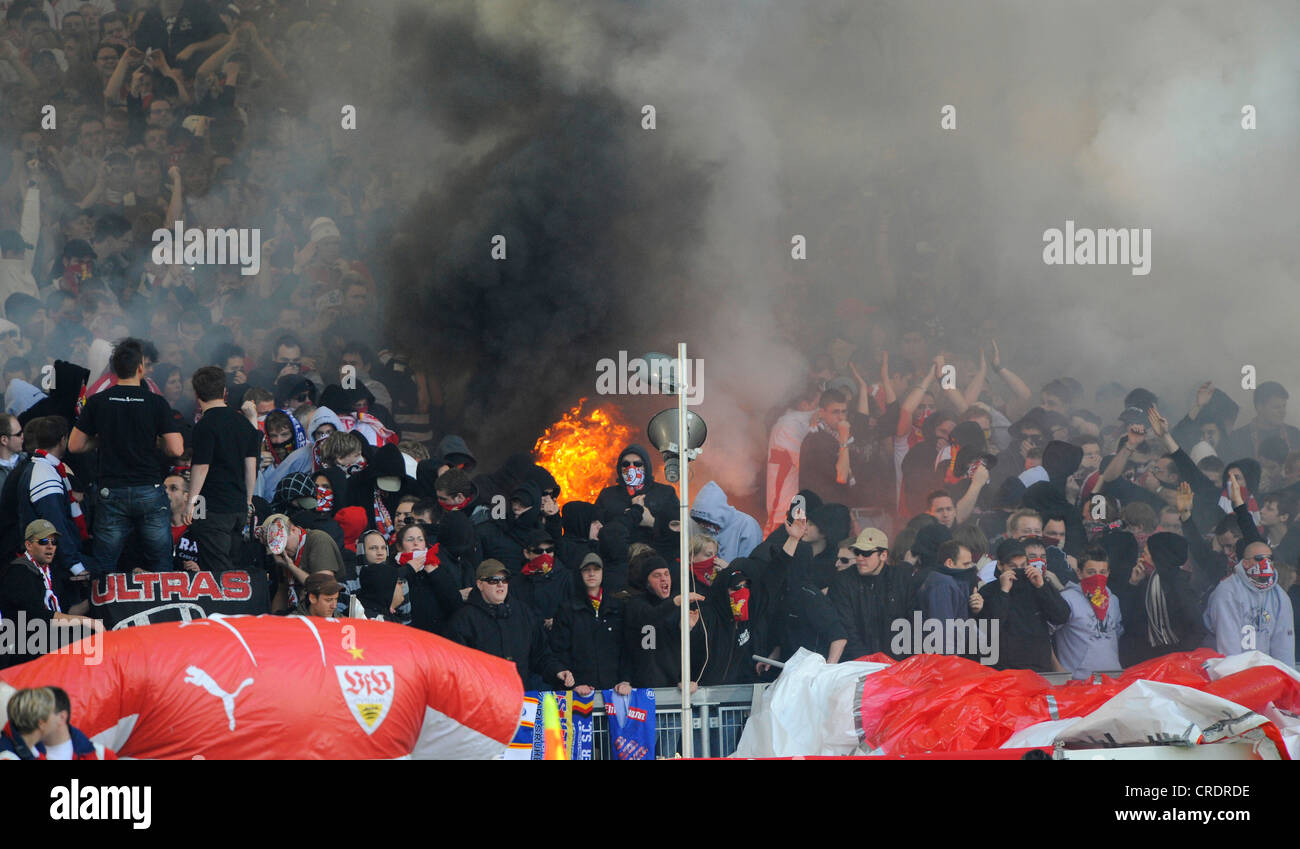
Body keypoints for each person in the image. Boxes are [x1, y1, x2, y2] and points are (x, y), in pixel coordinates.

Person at [69, 338, 183, 572]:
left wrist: (104, 439)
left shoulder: (99, 401)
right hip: (148, 489)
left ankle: (102, 608)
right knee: (160, 561)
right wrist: (155, 440)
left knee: (104, 564)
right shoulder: (156, 402)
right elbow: (176, 449)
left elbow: (75, 445)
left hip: (111, 491)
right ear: (140, 368)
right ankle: (165, 607)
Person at [446, 560, 573, 690]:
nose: (500, 585)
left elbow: (540, 655)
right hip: (482, 700)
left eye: (505, 579)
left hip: (520, 700)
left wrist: (557, 671)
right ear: (480, 584)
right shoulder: (463, 619)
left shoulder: (523, 612)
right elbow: (458, 668)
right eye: (493, 580)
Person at [185, 366, 259, 573]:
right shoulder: (244, 424)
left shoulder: (204, 426)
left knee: (216, 570)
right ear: (224, 391)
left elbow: (201, 467)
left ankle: (226, 605)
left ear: (196, 394)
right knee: (234, 565)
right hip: (238, 508)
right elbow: (251, 465)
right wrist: (248, 500)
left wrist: (190, 503)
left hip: (212, 510)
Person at [0, 521, 102, 668]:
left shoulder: (52, 571)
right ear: (28, 545)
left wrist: (94, 599)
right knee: (86, 636)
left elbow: (66, 611)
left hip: (48, 638)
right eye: (43, 542)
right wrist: (85, 621)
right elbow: (39, 616)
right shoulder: (18, 573)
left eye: (53, 542)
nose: (50, 546)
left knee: (94, 634)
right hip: (25, 645)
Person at [976, 538, 1070, 672]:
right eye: (1013, 567)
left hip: (1038, 668)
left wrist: (1042, 587)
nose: (1019, 570)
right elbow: (990, 628)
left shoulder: (1037, 586)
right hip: (1004, 670)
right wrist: (1004, 592)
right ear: (1000, 566)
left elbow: (1062, 616)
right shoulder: (988, 591)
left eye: (1023, 565)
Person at [1204, 540, 1295, 666]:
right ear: (1245, 563)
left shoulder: (1280, 596)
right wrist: (1237, 678)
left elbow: (1284, 643)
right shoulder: (1228, 592)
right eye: (1259, 558)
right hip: (1227, 669)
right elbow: (1228, 642)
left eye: (1270, 559)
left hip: (1263, 673)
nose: (1265, 563)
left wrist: (1286, 677)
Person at [551, 553, 630, 695]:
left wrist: (625, 680)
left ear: (603, 573)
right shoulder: (567, 609)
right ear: (579, 573)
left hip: (615, 692)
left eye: (596, 569)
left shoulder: (618, 607)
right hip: (580, 691)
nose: (591, 573)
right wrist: (574, 684)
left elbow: (627, 648)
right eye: (586, 570)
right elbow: (559, 650)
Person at [828, 528, 909, 660]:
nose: (860, 558)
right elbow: (847, 629)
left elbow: (909, 624)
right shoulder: (843, 581)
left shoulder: (900, 580)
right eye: (857, 552)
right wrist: (868, 664)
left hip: (896, 664)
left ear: (883, 555)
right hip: (858, 665)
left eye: (866, 553)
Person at [1052, 547, 1123, 678]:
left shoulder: (1113, 601)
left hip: (1113, 679)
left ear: (1108, 573)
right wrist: (1059, 671)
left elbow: (1117, 633)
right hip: (1079, 681)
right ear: (1079, 573)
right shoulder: (1067, 599)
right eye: (1091, 572)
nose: (1097, 577)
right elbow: (1045, 636)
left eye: (1102, 572)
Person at [690, 480, 762, 561]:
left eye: (706, 521)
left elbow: (750, 566)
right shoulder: (694, 524)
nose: (703, 525)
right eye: (700, 521)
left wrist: (729, 569)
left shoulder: (747, 525)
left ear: (719, 512)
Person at [40, 687, 116, 760]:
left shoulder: (102, 756)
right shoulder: (30, 754)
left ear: (62, 717)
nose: (34, 720)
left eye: (41, 714)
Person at [0, 686, 57, 760]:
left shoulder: (35, 748)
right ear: (41, 724)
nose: (58, 721)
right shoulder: (7, 757)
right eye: (54, 714)